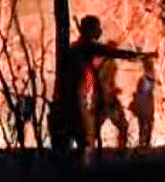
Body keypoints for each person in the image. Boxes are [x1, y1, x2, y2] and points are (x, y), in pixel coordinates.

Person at [49, 15, 156, 160]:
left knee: (89, 138)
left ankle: (93, 163)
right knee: (86, 139)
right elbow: (117, 54)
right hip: (84, 102)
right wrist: (140, 56)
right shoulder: (84, 50)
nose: (99, 31)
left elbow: (115, 54)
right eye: (96, 28)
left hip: (84, 100)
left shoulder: (77, 50)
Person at [130, 56, 155, 148]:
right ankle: (144, 144)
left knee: (144, 126)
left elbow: (143, 92)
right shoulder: (146, 80)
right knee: (145, 125)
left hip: (144, 106)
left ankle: (143, 144)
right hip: (145, 106)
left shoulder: (145, 80)